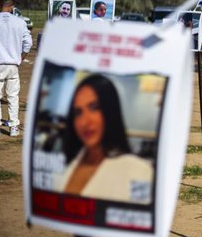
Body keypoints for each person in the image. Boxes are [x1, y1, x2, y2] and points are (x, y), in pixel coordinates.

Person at [52, 74, 153, 204]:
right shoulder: (64, 162)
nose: (85, 122)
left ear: (110, 111)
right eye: (78, 112)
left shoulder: (138, 170)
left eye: (94, 108)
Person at [0, 0, 33, 138]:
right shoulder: (20, 22)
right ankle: (13, 127)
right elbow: (28, 43)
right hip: (13, 65)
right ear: (13, 7)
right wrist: (21, 58)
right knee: (13, 96)